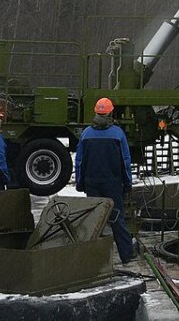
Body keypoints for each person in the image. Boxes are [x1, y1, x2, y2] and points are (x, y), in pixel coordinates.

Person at [75, 97, 137, 264]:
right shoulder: (118, 134)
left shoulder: (86, 134)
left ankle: (93, 259)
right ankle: (127, 255)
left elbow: (79, 161)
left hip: (92, 183)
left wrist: (80, 182)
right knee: (117, 217)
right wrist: (127, 183)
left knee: (94, 219)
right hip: (113, 183)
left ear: (95, 112)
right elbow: (125, 161)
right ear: (110, 112)